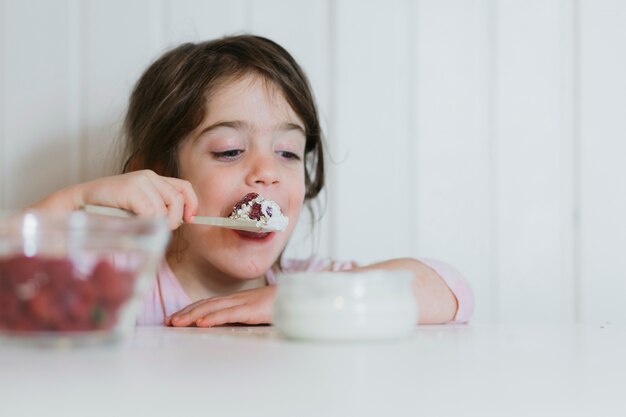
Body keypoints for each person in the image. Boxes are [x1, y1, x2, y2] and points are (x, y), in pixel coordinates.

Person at [32, 35, 474, 327]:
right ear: (160, 175)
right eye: (229, 150)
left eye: (287, 153)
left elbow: (451, 289)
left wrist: (290, 303)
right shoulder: (119, 288)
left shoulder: (310, 288)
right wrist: (72, 200)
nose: (267, 172)